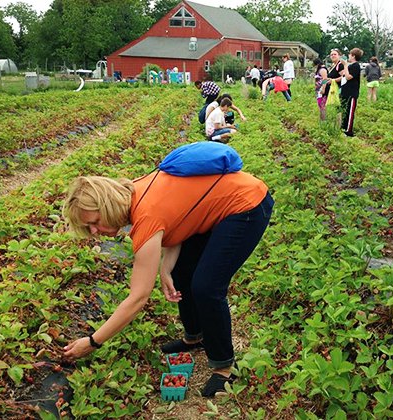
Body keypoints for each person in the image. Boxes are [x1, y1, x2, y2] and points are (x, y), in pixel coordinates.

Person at [62, 166, 273, 397]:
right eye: (88, 228)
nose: (94, 231)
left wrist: (93, 342)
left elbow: (138, 298)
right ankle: (196, 337)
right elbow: (178, 218)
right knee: (182, 273)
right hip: (223, 202)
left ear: (107, 205)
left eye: (94, 222)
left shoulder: (145, 218)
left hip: (247, 204)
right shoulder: (134, 190)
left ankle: (224, 368)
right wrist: (166, 267)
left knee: (207, 287)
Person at [340, 47, 363, 137]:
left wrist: (345, 65)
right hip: (345, 92)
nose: (348, 56)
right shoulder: (350, 66)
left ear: (353, 56)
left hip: (352, 93)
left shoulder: (356, 66)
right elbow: (344, 74)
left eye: (349, 54)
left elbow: (349, 77)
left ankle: (349, 131)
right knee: (345, 110)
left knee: (350, 111)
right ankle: (343, 127)